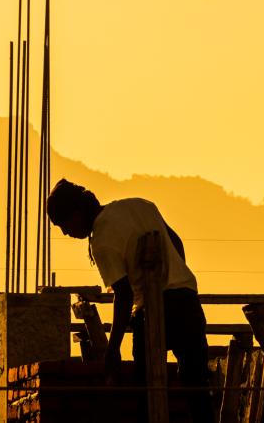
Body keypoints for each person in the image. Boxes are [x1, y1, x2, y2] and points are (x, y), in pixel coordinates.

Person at [46, 179, 215, 423]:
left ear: (78, 212)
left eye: (64, 224)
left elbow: (123, 294)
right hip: (187, 300)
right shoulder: (138, 204)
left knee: (146, 388)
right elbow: (175, 241)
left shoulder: (101, 240)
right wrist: (176, 274)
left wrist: (113, 349)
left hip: (151, 311)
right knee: (196, 384)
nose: (66, 232)